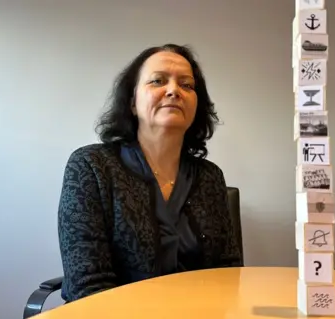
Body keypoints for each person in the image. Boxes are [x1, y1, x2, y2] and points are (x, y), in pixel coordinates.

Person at [57, 43, 243, 303]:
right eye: (157, 81)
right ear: (132, 102)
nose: (173, 91)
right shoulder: (91, 166)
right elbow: (88, 286)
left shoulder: (210, 177)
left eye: (187, 85)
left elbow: (229, 272)